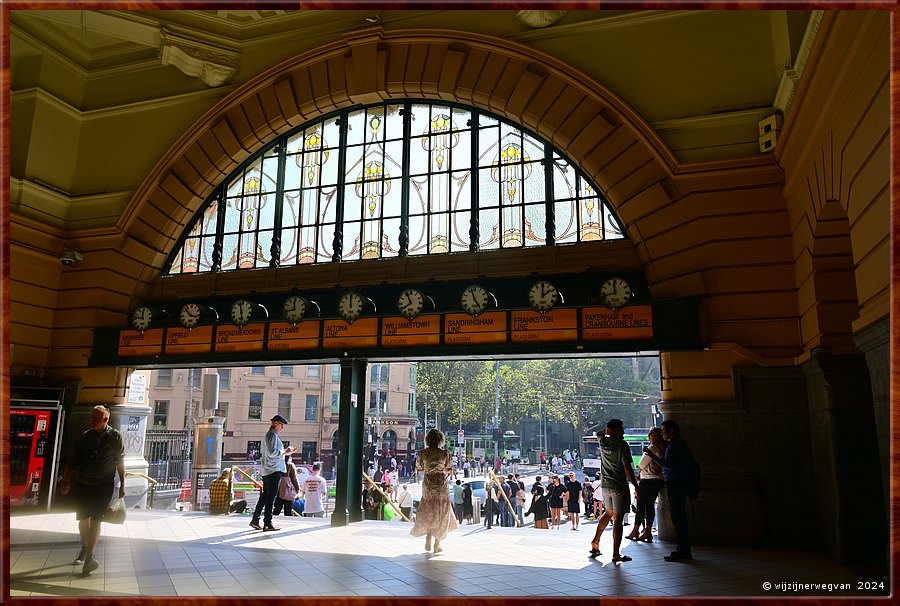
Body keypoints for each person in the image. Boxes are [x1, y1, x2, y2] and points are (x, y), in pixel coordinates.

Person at [59, 405, 125, 576]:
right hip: (83, 483)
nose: (92, 419)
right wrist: (66, 480)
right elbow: (72, 461)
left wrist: (123, 485)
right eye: (91, 416)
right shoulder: (85, 437)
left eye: (96, 416)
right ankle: (85, 546)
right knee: (83, 519)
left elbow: (120, 462)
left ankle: (89, 556)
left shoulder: (115, 436)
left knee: (96, 519)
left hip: (104, 485)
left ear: (106, 419)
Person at [643, 419, 695, 561]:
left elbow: (669, 465)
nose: (662, 434)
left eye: (664, 430)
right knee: (679, 517)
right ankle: (683, 549)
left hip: (676, 484)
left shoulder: (675, 445)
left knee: (678, 518)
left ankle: (683, 550)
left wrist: (653, 457)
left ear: (672, 431)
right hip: (678, 483)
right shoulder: (676, 444)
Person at [588, 419, 639, 563]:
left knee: (608, 512)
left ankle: (596, 541)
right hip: (619, 486)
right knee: (618, 520)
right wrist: (636, 485)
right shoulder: (622, 445)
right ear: (615, 430)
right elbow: (627, 468)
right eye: (620, 429)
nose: (623, 431)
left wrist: (607, 432)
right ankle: (616, 553)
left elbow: (598, 433)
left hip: (605, 485)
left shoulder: (603, 441)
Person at [410, 429, 458, 553]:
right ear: (440, 440)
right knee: (441, 511)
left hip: (428, 484)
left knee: (428, 509)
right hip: (441, 484)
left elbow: (419, 468)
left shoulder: (422, 453)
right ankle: (437, 544)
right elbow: (448, 468)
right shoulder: (445, 453)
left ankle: (428, 536)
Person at [249, 415, 298, 531]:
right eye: (281, 425)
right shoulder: (272, 435)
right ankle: (267, 522)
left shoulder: (271, 435)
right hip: (273, 469)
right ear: (276, 424)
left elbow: (274, 453)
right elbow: (272, 452)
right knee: (271, 496)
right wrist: (285, 451)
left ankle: (256, 519)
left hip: (269, 469)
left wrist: (286, 453)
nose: (282, 428)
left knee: (266, 495)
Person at [627, 427, 667, 542]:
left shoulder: (653, 448)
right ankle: (648, 531)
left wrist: (638, 473)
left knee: (641, 505)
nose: (650, 436)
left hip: (648, 480)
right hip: (657, 481)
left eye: (651, 434)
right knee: (650, 506)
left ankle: (635, 530)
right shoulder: (663, 447)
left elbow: (641, 464)